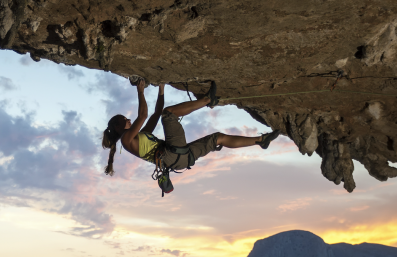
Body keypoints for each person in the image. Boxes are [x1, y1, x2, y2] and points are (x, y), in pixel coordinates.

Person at [102, 80, 281, 191]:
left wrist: (161, 88)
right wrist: (140, 92)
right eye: (124, 120)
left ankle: (261, 140)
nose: (129, 119)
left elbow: (155, 113)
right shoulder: (126, 140)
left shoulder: (141, 136)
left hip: (181, 159)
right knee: (169, 114)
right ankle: (207, 100)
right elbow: (143, 115)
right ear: (117, 127)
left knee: (218, 138)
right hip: (172, 154)